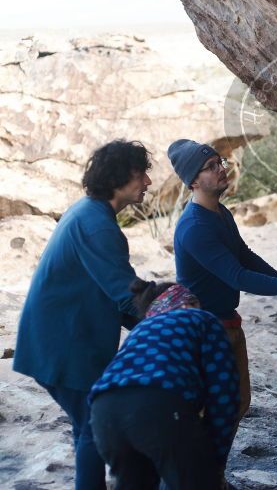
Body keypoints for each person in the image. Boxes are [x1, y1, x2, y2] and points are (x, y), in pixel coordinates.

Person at [13, 140, 153, 489]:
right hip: (62, 346)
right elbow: (126, 294)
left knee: (86, 426)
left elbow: (116, 293)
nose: (148, 182)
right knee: (94, 426)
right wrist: (172, 319)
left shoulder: (90, 213)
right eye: (141, 174)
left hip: (57, 341)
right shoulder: (97, 225)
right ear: (119, 176)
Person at [167, 139, 277, 423]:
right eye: (210, 167)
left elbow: (244, 256)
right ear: (193, 181)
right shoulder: (195, 227)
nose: (221, 168)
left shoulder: (219, 213)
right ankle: (201, 466)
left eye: (219, 162)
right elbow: (237, 275)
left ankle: (211, 466)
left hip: (225, 323)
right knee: (208, 412)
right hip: (202, 334)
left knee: (237, 403)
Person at [89, 279, 239, 490]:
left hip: (103, 412)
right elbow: (224, 396)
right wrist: (212, 462)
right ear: (187, 303)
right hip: (158, 406)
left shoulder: (141, 330)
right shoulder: (202, 319)